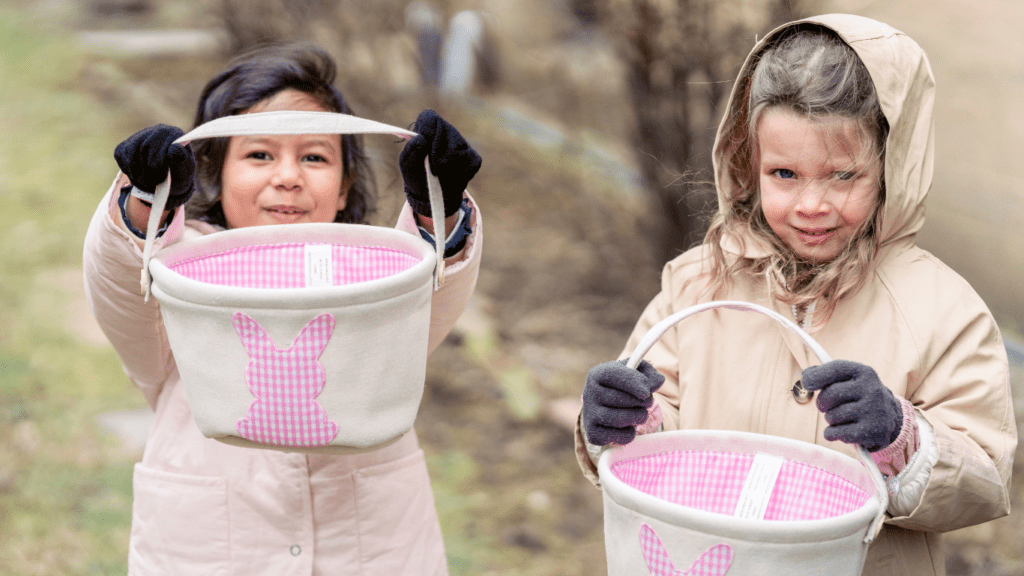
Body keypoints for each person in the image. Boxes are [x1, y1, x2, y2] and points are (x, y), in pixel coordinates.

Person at [576, 14, 1015, 575]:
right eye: (784, 173)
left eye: (841, 176)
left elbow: (984, 478)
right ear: (747, 163)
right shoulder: (696, 283)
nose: (812, 204)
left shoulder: (944, 312)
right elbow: (656, 439)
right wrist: (623, 419)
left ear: (890, 167)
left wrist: (900, 438)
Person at [83, 43, 482, 575]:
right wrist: (143, 201)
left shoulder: (377, 272)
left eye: (314, 157)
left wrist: (440, 210)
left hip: (369, 542)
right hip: (210, 544)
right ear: (212, 172)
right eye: (259, 154)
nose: (288, 176)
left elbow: (430, 292)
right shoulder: (176, 275)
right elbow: (117, 279)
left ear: (344, 188)